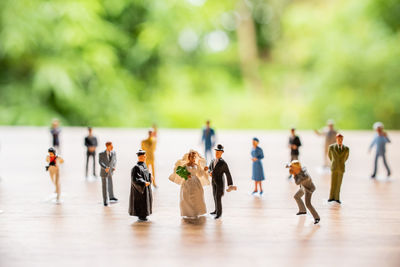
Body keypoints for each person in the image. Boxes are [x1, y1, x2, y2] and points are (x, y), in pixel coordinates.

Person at [169, 150, 209, 218]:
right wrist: (185, 175)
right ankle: (188, 212)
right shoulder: (185, 165)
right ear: (189, 157)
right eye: (192, 157)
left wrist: (204, 170)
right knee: (187, 196)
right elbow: (180, 172)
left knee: (197, 196)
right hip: (187, 182)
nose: (193, 158)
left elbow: (200, 174)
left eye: (194, 157)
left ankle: (196, 211)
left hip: (196, 182)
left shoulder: (197, 165)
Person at [208, 144, 237, 219]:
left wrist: (230, 185)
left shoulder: (223, 163)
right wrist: (209, 172)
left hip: (220, 183)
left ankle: (219, 213)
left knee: (218, 197)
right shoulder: (212, 161)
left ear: (221, 153)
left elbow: (228, 173)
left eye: (219, 152)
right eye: (216, 152)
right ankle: (216, 210)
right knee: (214, 196)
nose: (217, 153)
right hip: (213, 182)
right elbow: (209, 168)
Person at [287, 160, 320, 224]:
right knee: (296, 196)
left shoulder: (305, 176)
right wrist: (291, 167)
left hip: (308, 189)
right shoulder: (300, 170)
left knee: (308, 204)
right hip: (303, 187)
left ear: (297, 168)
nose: (292, 169)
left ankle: (317, 218)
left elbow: (297, 182)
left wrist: (294, 174)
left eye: (293, 167)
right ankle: (302, 210)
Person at [129, 149, 153, 221]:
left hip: (146, 188)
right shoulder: (136, 167)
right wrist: (143, 183)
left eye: (144, 156)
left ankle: (145, 214)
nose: (144, 158)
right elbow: (135, 179)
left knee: (146, 201)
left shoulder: (144, 165)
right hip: (141, 190)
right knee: (141, 202)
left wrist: (150, 176)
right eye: (143, 157)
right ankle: (141, 215)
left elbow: (146, 174)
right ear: (139, 157)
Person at [328, 133, 350, 204]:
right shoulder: (331, 147)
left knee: (339, 183)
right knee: (333, 182)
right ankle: (331, 197)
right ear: (336, 139)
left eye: (341, 139)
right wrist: (334, 162)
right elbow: (330, 156)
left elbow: (346, 158)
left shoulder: (346, 148)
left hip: (341, 167)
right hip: (334, 167)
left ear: (342, 139)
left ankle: (337, 198)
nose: (339, 140)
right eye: (338, 139)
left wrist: (341, 163)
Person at [99, 142, 118, 206]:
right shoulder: (101, 154)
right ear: (107, 146)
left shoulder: (113, 153)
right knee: (104, 186)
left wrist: (114, 167)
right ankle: (105, 200)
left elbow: (115, 160)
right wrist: (105, 167)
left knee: (110, 184)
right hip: (104, 172)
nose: (112, 148)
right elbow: (100, 162)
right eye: (111, 146)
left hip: (110, 171)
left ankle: (111, 196)